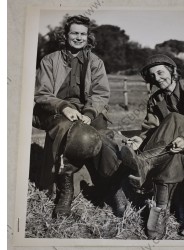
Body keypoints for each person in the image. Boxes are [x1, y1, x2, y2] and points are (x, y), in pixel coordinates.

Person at [33, 15, 128, 218]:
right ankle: (65, 191)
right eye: (74, 33)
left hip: (86, 110)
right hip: (55, 112)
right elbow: (42, 94)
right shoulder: (49, 60)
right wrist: (63, 106)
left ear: (88, 36)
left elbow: (101, 94)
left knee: (102, 136)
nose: (78, 37)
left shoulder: (95, 62)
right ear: (65, 35)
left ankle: (112, 187)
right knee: (67, 130)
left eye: (82, 34)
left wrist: (89, 113)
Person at [120, 54, 184, 239]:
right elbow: (150, 130)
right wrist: (140, 140)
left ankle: (145, 164)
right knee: (171, 154)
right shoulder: (155, 100)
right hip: (177, 147)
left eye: (161, 72)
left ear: (172, 71)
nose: (157, 78)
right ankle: (161, 209)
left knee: (175, 118)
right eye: (152, 75)